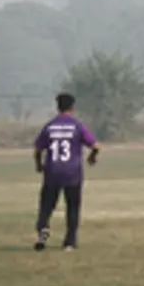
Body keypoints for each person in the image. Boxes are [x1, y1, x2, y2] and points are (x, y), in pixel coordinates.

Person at [33, 92, 99, 251]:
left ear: (58, 107)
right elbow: (95, 146)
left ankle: (43, 228)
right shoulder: (77, 125)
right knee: (73, 206)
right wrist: (92, 157)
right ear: (72, 107)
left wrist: (38, 165)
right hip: (73, 173)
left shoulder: (50, 126)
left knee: (47, 205)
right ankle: (69, 241)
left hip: (52, 172)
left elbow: (37, 149)